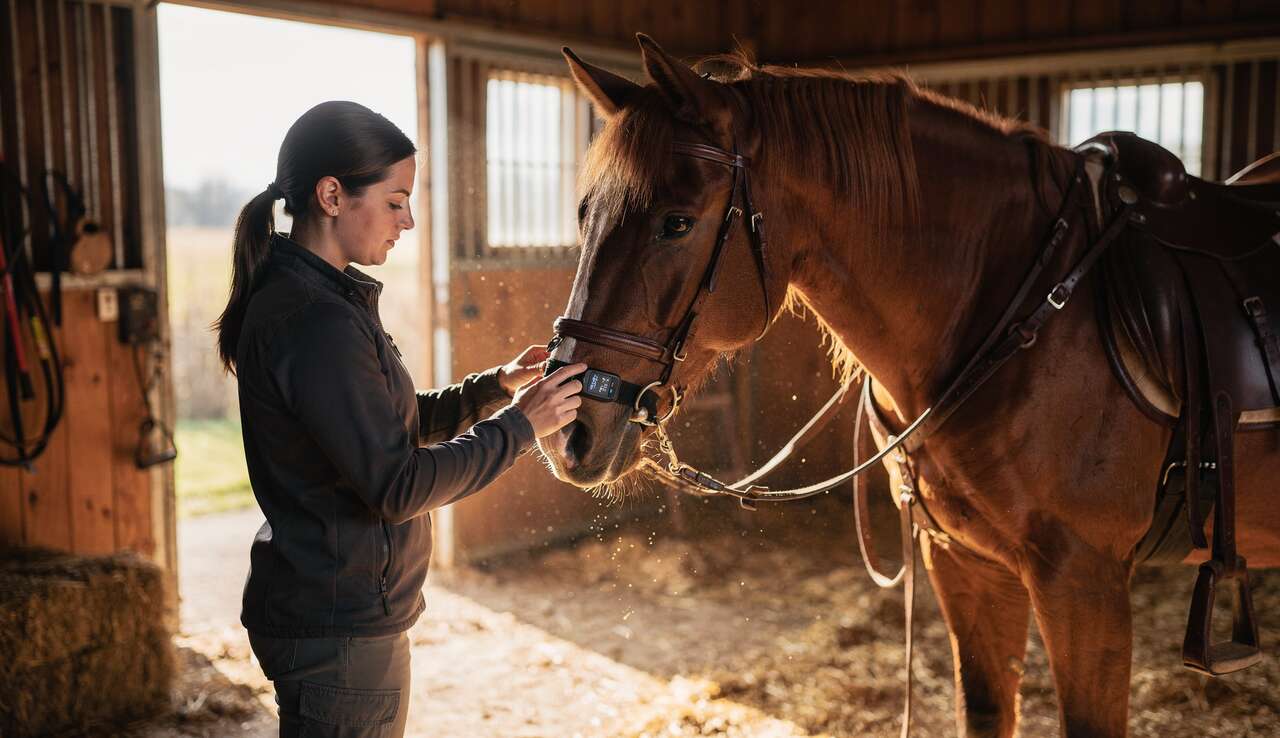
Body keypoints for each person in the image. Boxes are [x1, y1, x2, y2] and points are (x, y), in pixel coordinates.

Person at [213, 100, 584, 738]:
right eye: (395, 201)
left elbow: (381, 427)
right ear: (332, 195)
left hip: (333, 612)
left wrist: (494, 388)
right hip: (341, 629)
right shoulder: (315, 319)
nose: (408, 221)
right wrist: (521, 427)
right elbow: (397, 486)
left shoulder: (315, 298)